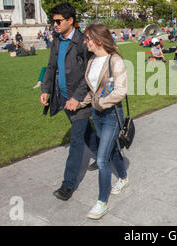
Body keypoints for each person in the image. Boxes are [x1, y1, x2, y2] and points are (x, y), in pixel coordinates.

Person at [40, 2, 98, 201]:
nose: (54, 24)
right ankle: (104, 154)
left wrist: (77, 97)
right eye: (53, 21)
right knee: (86, 132)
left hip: (80, 101)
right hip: (63, 98)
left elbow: (90, 73)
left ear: (70, 20)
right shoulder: (56, 40)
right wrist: (46, 89)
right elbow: (50, 67)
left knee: (76, 140)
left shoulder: (83, 41)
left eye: (58, 21)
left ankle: (68, 185)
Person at [72, 23, 128, 220]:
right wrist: (79, 104)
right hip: (97, 114)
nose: (85, 42)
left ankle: (101, 203)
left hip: (112, 114)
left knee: (102, 158)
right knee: (111, 150)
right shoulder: (91, 62)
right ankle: (123, 177)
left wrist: (101, 103)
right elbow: (92, 91)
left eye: (87, 39)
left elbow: (121, 91)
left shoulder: (115, 61)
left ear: (97, 40)